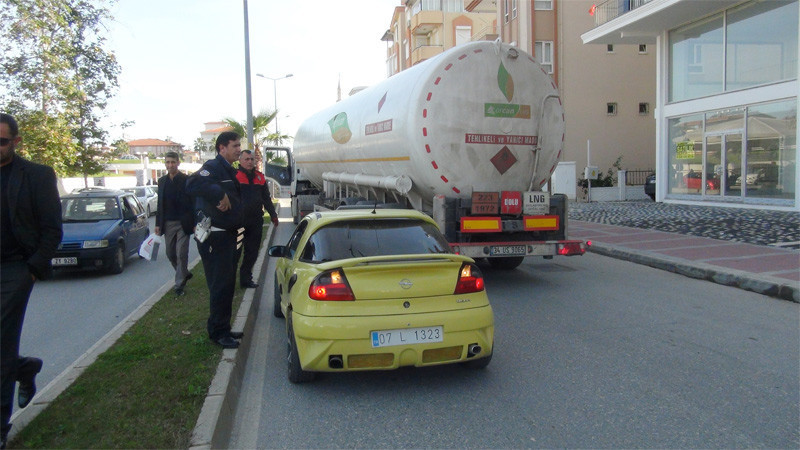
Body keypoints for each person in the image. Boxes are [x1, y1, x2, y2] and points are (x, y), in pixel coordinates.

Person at [0, 113, 63, 448]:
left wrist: (33, 267)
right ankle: (25, 368)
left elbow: (53, 228)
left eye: (2, 141)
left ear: (16, 142)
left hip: (15, 268)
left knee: (1, 344)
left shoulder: (36, 176)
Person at [186, 131, 244, 349]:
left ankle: (223, 327)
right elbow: (192, 184)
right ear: (222, 148)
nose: (239, 149)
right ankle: (218, 333)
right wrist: (219, 193)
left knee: (227, 284)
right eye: (235, 146)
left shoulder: (229, 169)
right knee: (220, 285)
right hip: (215, 237)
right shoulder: (212, 167)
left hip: (229, 234)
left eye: (239, 145)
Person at [235, 150, 279, 289]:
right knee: (235, 253)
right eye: (246, 159)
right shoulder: (234, 176)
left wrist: (273, 215)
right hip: (238, 223)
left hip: (255, 222)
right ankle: (229, 280)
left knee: (252, 252)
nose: (249, 162)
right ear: (240, 161)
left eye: (251, 159)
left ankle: (246, 279)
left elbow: (266, 198)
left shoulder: (260, 177)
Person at [155, 151, 194, 296]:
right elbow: (160, 204)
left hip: (183, 223)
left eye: (173, 162)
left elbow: (192, 202)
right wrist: (158, 224)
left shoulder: (186, 180)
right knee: (170, 253)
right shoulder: (162, 181)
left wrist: (194, 222)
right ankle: (184, 272)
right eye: (167, 162)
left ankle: (179, 285)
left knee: (181, 253)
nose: (170, 165)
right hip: (168, 223)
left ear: (178, 163)